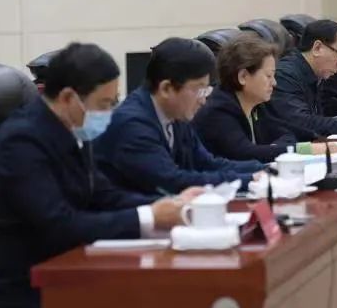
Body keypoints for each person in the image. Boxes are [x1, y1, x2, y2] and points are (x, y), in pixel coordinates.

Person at [0, 43, 201, 308]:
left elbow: (103, 195)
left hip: (68, 280)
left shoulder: (72, 130)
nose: (109, 113)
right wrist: (149, 216)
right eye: (104, 104)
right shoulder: (22, 143)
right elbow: (60, 224)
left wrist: (172, 206)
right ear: (68, 98)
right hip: (19, 306)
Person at [96, 37, 264, 195]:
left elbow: (207, 164)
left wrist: (264, 170)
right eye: (199, 89)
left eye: (206, 90)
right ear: (166, 88)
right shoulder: (133, 124)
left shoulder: (176, 114)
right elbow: (172, 181)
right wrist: (249, 180)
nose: (203, 100)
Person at [193, 33, 336, 163]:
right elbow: (245, 153)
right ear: (243, 76)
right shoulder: (218, 110)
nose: (274, 83)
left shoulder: (256, 105)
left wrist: (275, 148)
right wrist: (304, 150)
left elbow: (286, 132)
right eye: (268, 76)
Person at [267, 19, 337, 138]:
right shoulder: (285, 75)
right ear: (317, 48)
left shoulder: (317, 74)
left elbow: (315, 118)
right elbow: (300, 123)